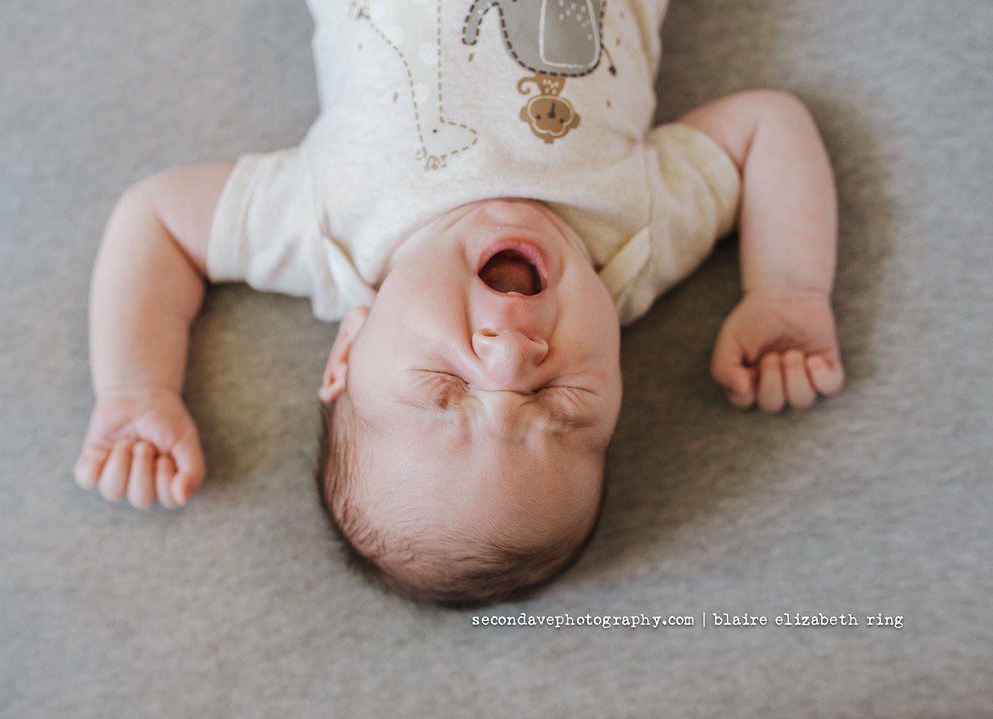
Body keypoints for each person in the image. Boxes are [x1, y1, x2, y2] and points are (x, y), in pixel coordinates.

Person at [73, 0, 845, 605]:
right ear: (618, 390)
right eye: (561, 402)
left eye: (443, 390)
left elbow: (159, 221)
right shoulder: (639, 236)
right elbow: (767, 126)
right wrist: (787, 288)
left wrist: (136, 387)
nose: (512, 354)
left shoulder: (325, 227)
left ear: (349, 351)